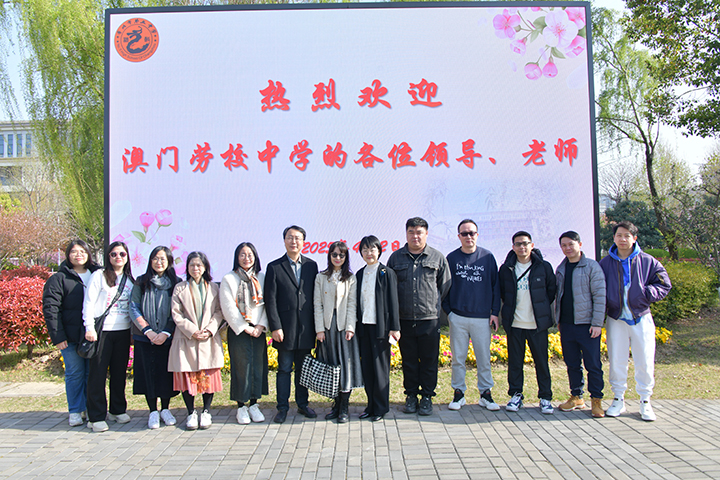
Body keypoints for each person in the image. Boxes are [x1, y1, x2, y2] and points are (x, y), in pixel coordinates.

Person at [599, 221, 671, 421]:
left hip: (641, 316)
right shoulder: (605, 263)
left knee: (644, 359)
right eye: (619, 235)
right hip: (616, 318)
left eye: (627, 236)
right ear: (614, 238)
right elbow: (597, 289)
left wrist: (645, 294)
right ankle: (618, 398)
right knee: (616, 359)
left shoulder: (647, 261)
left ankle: (645, 400)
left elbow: (664, 284)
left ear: (634, 238)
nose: (622, 239)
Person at [387, 217, 451, 416]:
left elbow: (445, 286)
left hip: (429, 320)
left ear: (426, 234)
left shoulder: (437, 257)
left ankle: (427, 397)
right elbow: (390, 288)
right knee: (409, 361)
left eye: (419, 232)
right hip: (404, 319)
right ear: (406, 233)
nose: (415, 236)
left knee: (429, 360)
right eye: (411, 232)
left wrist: (431, 304)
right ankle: (411, 395)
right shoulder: (396, 258)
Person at [443, 219, 501, 412]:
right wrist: (449, 312)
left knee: (483, 358)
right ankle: (459, 393)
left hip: (482, 318)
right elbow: (444, 287)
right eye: (464, 233)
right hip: (458, 317)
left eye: (472, 233)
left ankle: (486, 394)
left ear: (477, 235)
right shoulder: (452, 258)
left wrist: (494, 312)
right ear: (459, 236)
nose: (468, 236)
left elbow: (495, 286)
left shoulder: (487, 257)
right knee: (458, 359)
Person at [265, 225, 319, 424]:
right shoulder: (274, 267)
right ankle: (282, 408)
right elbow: (270, 300)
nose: (293, 241)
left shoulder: (311, 266)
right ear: (284, 241)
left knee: (303, 371)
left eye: (297, 238)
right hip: (285, 329)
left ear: (303, 242)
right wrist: (275, 327)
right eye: (290, 237)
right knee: (284, 369)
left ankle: (303, 404)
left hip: (306, 329)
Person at [43, 240, 100, 427]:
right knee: (75, 373)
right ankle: (75, 410)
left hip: (92, 335)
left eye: (82, 251)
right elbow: (51, 309)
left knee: (91, 374)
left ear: (88, 254)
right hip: (70, 337)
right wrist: (58, 337)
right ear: (68, 255)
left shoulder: (97, 274)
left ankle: (89, 408)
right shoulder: (59, 279)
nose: (79, 255)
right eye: (74, 252)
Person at [498, 231, 556, 415]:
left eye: (525, 243)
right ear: (513, 247)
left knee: (542, 362)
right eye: (518, 244)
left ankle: (545, 397)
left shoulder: (544, 267)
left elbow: (551, 291)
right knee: (515, 363)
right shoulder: (506, 268)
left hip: (536, 325)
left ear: (532, 245)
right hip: (515, 324)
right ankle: (516, 395)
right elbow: (503, 292)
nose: (522, 247)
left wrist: (540, 309)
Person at [169, 252, 225, 430]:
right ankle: (191, 412)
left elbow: (219, 311)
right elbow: (176, 313)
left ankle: (206, 411)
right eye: (192, 265)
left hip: (208, 338)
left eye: (199, 265)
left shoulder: (213, 288)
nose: (196, 268)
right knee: (188, 376)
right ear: (187, 267)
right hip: (187, 339)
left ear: (205, 267)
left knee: (207, 376)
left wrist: (209, 329)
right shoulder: (180, 288)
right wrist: (192, 331)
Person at [83, 241, 134, 433]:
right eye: (114, 254)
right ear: (108, 257)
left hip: (123, 332)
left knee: (119, 374)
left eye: (122, 254)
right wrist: (89, 328)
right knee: (97, 374)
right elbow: (88, 303)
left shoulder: (129, 279)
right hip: (101, 332)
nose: (118, 257)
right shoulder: (99, 276)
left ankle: (117, 409)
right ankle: (96, 416)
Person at [554, 231, 607, 418]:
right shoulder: (561, 268)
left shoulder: (592, 267)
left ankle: (596, 400)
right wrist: (558, 320)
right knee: (572, 363)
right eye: (564, 245)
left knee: (593, 364)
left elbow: (600, 296)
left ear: (580, 244)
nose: (567, 248)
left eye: (571, 244)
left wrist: (597, 323)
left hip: (587, 325)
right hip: (567, 324)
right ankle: (576, 396)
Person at [129, 246, 180, 430]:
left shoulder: (176, 283)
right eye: (156, 258)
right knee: (147, 373)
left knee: (165, 374)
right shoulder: (141, 281)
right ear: (150, 261)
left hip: (167, 337)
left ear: (169, 262)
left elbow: (177, 310)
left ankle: (165, 409)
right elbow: (134, 307)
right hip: (145, 338)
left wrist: (166, 332)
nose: (159, 262)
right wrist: (148, 331)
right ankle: (152, 411)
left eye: (163, 259)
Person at [220, 242, 269, 425]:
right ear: (236, 257)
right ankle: (241, 406)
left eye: (250, 255)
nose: (246, 258)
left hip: (258, 330)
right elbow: (228, 307)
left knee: (258, 366)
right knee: (241, 367)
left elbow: (268, 303)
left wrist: (261, 326)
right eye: (242, 254)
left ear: (255, 257)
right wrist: (244, 327)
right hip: (239, 330)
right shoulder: (229, 278)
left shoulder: (261, 277)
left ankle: (254, 404)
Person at [314, 241, 362, 423]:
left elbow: (352, 304)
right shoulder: (321, 277)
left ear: (346, 257)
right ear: (329, 256)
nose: (337, 258)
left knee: (345, 365)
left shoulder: (350, 278)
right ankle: (335, 405)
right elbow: (317, 304)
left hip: (344, 327)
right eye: (334, 254)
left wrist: (350, 327)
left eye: (341, 255)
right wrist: (319, 329)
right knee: (331, 365)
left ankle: (344, 407)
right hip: (327, 327)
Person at [356, 235, 400, 422]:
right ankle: (370, 406)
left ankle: (381, 408)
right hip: (364, 328)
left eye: (372, 249)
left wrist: (395, 327)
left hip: (381, 329)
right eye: (365, 250)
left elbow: (393, 301)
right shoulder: (359, 274)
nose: (369, 253)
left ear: (379, 251)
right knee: (367, 369)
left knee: (380, 370)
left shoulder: (386, 273)